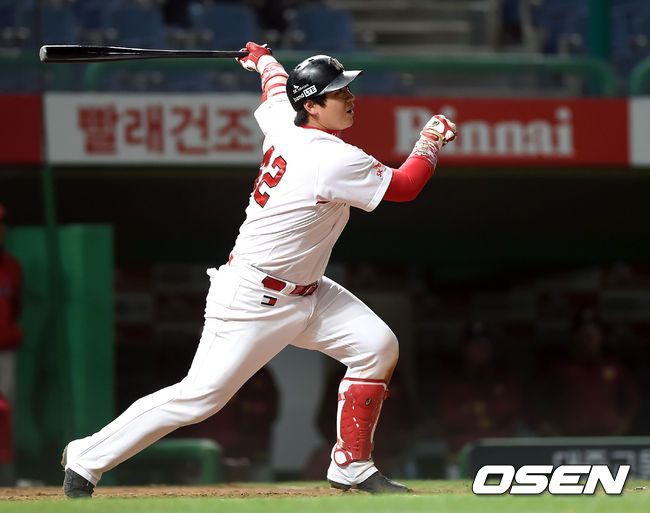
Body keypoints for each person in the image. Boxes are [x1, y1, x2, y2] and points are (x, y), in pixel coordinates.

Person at [60, 41, 457, 498]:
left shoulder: (285, 120)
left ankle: (352, 464)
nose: (350, 98)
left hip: (309, 291)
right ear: (312, 105)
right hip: (253, 298)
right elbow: (405, 186)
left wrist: (262, 59)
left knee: (376, 346)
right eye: (338, 92)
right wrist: (429, 141)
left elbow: (274, 88)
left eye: (348, 89)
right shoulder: (331, 157)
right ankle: (88, 455)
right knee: (198, 398)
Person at [525, 308, 641, 437]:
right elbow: (532, 400)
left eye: (594, 332)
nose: (589, 337)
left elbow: (632, 400)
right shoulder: (557, 367)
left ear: (601, 336)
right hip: (568, 441)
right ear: (574, 336)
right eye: (584, 332)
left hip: (608, 440)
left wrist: (624, 424)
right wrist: (545, 427)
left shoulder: (614, 366)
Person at [439, 322, 520, 476]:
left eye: (485, 345)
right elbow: (450, 417)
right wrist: (488, 411)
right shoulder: (453, 381)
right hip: (462, 453)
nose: (481, 350)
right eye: (475, 345)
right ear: (464, 349)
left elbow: (510, 409)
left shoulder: (503, 378)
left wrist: (472, 410)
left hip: (503, 451)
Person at [0, 202, 22, 486]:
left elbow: (17, 305)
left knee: (5, 412)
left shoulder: (11, 267)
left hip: (5, 349)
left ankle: (5, 475)